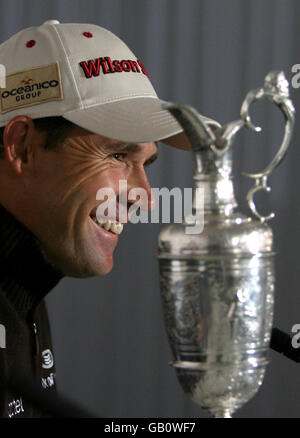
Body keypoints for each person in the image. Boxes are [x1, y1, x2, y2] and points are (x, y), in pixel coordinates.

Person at [0, 19, 215, 417]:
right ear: (23, 147)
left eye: (146, 162)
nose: (146, 197)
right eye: (118, 155)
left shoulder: (26, 284)